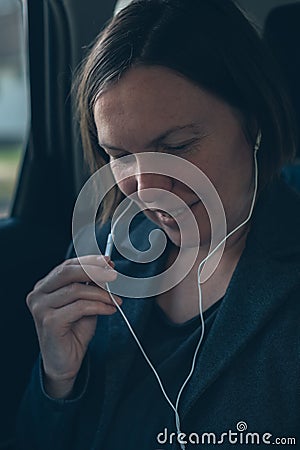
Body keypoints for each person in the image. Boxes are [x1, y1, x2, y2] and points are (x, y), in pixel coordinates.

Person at [17, 0, 300, 449]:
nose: (147, 190)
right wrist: (57, 381)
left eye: (178, 146)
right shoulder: (107, 250)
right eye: (120, 156)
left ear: (255, 120)